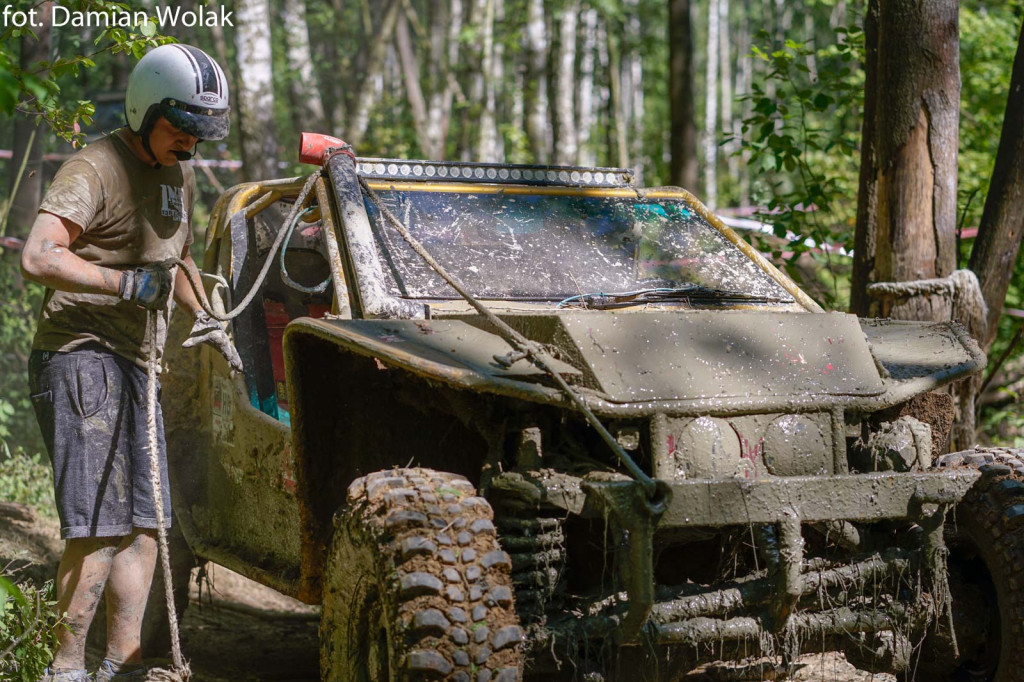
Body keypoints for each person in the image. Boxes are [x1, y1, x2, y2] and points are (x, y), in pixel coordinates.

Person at [19, 44, 242, 682]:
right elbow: (39, 255)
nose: (191, 143)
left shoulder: (180, 174)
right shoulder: (94, 167)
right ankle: (64, 669)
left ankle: (124, 666)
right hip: (80, 355)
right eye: (181, 128)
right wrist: (121, 285)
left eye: (201, 133)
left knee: (147, 526)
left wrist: (208, 315)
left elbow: (179, 260)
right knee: (99, 524)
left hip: (138, 364)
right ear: (146, 110)